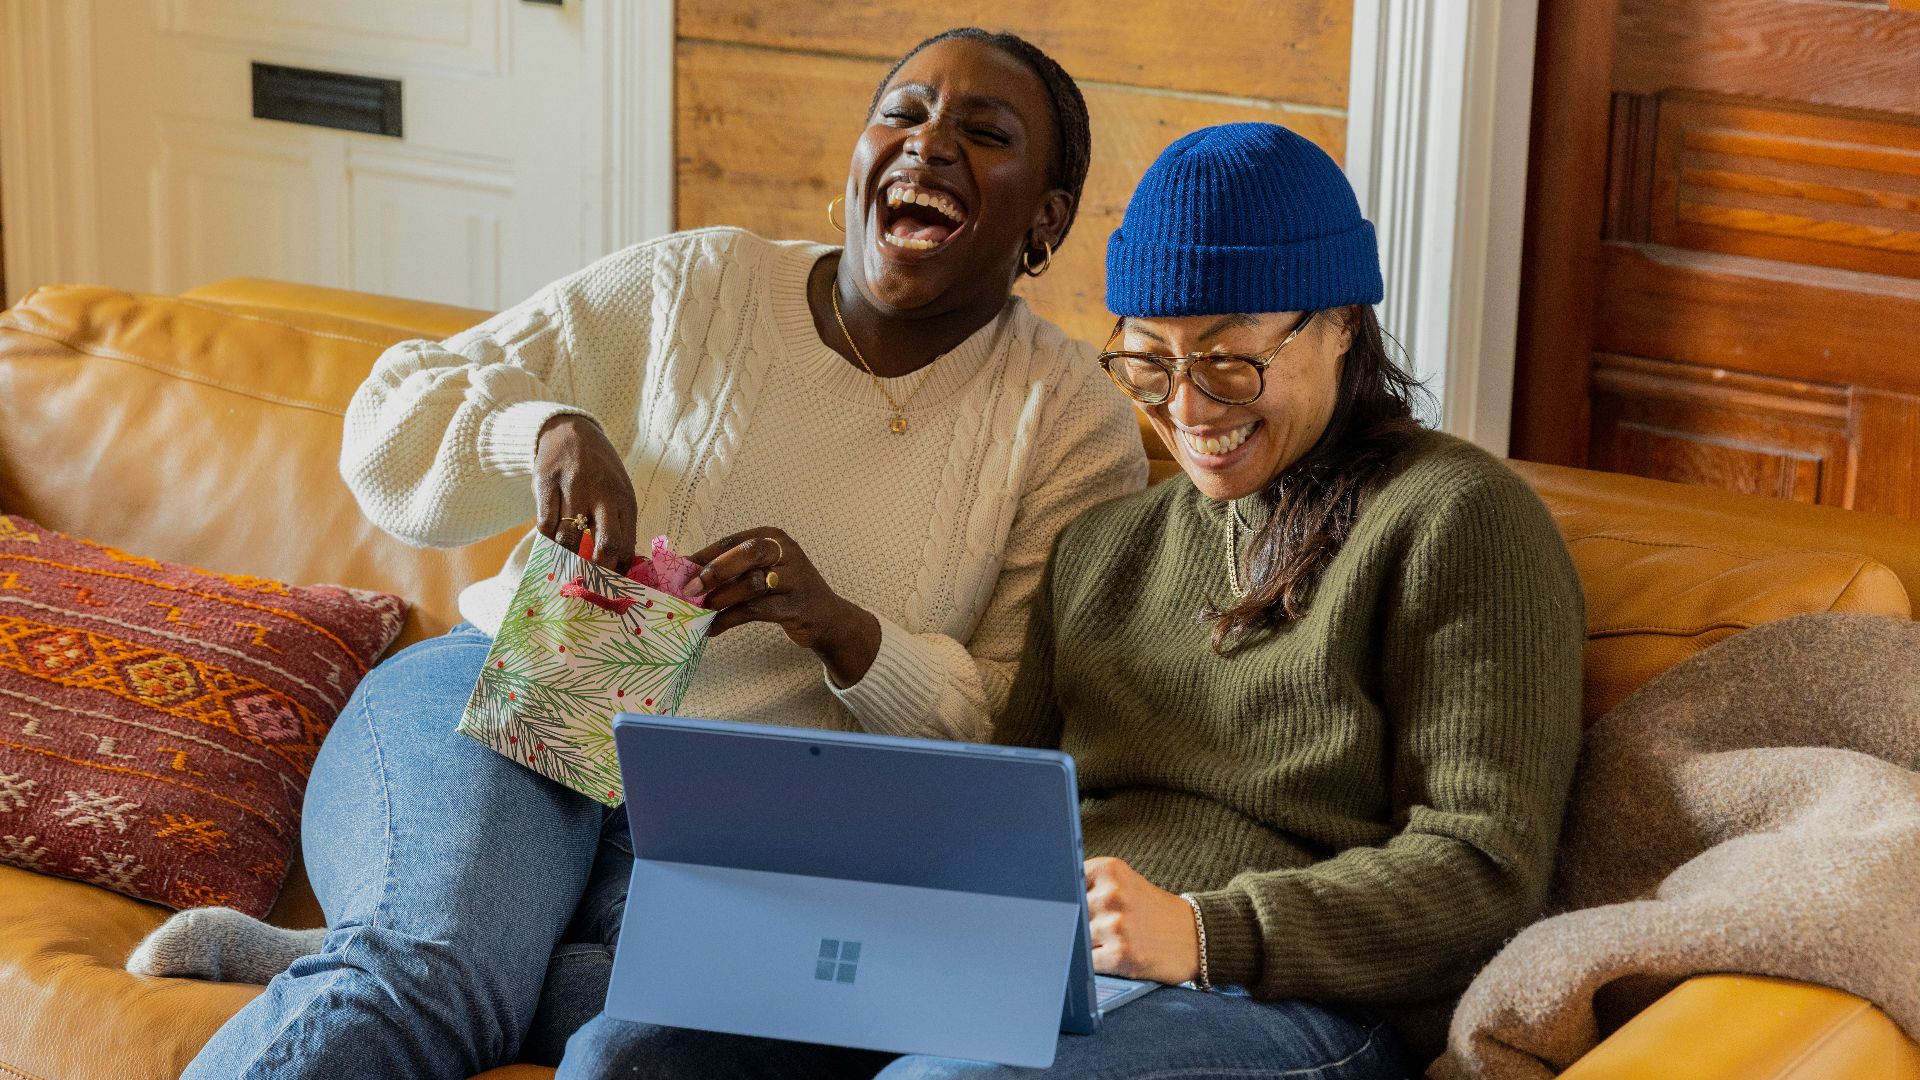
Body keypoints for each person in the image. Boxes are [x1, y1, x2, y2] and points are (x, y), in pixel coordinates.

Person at [135, 28, 1148, 1080]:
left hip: (741, 827)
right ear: (858, 159)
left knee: (644, 1029)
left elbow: (1012, 724)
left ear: (1047, 215)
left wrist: (848, 636)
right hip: (521, 698)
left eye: (983, 134)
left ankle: (402, 945)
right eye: (902, 114)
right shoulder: (699, 285)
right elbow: (389, 418)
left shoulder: (1069, 418)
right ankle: (411, 951)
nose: (929, 145)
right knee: (425, 983)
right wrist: (542, 431)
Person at [562, 124, 1586, 1079]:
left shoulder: (1458, 518)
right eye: (1149, 361)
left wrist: (1208, 930)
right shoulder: (1103, 548)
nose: (1187, 412)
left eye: (1229, 362)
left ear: (1340, 326)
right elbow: (1002, 807)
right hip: (1035, 961)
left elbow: (1483, 866)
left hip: (1288, 994)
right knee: (630, 1049)